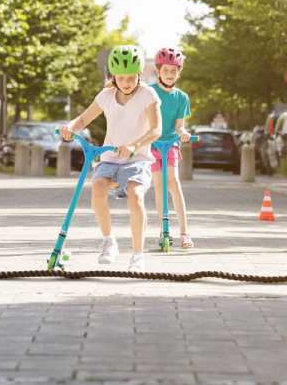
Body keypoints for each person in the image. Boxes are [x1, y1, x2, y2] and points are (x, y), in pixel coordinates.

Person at [59, 45, 162, 272]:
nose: (126, 82)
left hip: (138, 158)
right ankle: (109, 241)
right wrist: (70, 127)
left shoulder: (148, 94)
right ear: (113, 76)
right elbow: (84, 118)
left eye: (131, 77)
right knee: (97, 187)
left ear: (140, 75)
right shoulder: (106, 96)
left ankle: (137, 256)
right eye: (121, 77)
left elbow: (157, 130)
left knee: (135, 198)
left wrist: (134, 146)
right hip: (110, 157)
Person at [150, 47, 193, 249]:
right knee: (159, 186)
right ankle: (163, 229)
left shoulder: (182, 97)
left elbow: (179, 125)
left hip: (170, 144)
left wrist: (183, 133)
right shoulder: (149, 92)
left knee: (174, 184)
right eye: (165, 70)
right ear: (158, 71)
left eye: (174, 71)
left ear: (179, 72)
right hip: (152, 145)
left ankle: (184, 232)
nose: (169, 74)